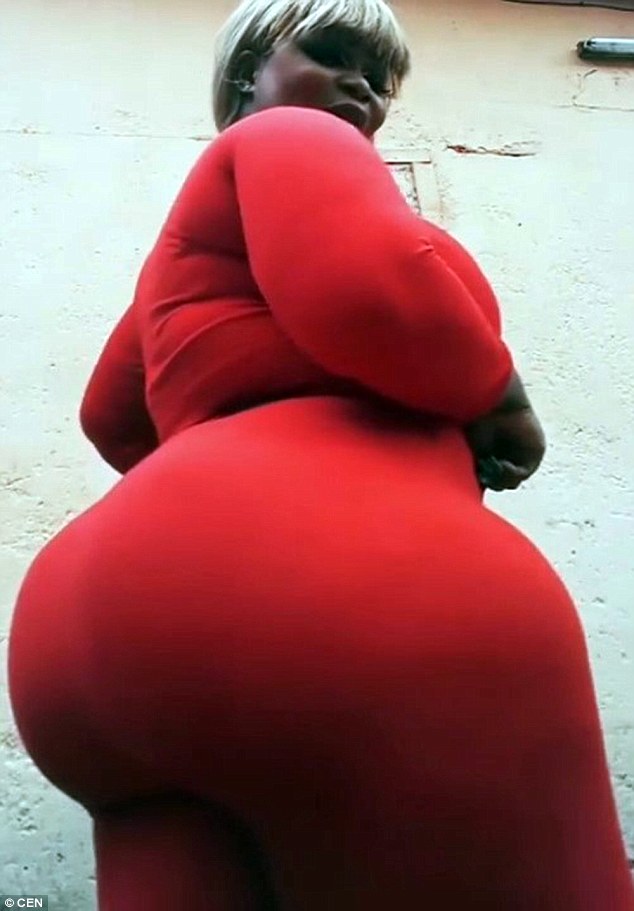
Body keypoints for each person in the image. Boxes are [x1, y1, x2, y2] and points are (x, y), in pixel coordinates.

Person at [8, 0, 634, 908]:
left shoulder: (181, 264)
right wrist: (501, 400)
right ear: (245, 74)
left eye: (379, 79)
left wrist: (207, 523)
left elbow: (111, 415)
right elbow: (364, 284)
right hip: (343, 608)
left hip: (88, 642)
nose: (360, 88)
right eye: (332, 54)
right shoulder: (293, 137)